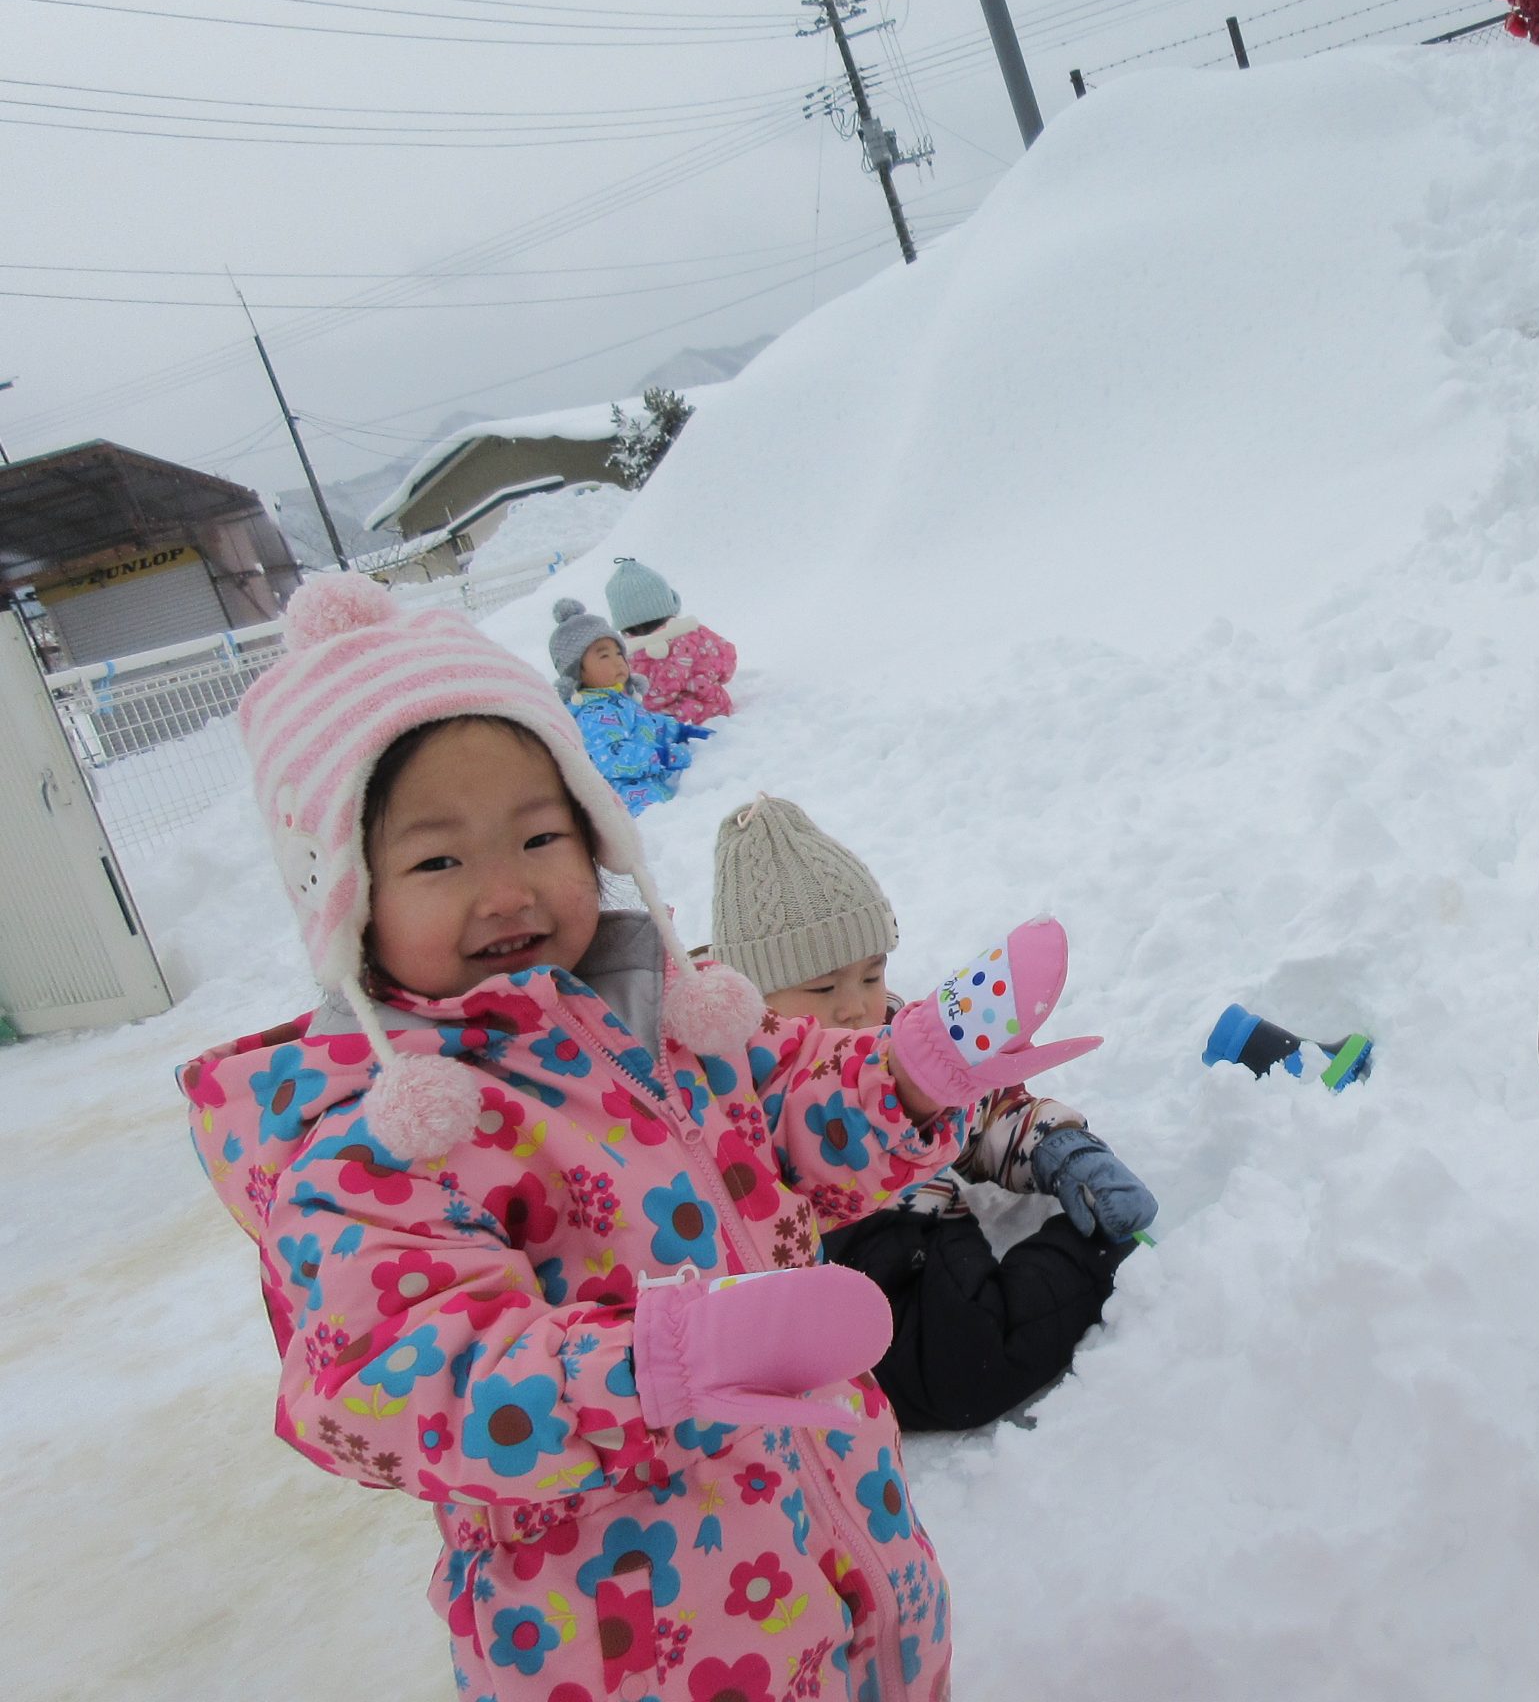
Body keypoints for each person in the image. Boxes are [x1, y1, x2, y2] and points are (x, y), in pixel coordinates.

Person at [175, 572, 977, 1702]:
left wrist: (909, 1074)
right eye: (439, 860)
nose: (506, 891)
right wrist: (658, 1365)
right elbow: (386, 1380)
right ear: (348, 900)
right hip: (631, 1638)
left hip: (839, 1535)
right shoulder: (373, 1142)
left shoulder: (660, 1017)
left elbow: (795, 1106)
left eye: (540, 835)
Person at [710, 794, 1157, 1432]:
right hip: (832, 1253)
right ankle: (1068, 1265)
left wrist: (1058, 1147)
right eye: (821, 988)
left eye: (870, 975)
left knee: (970, 1356)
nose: (854, 1008)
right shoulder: (729, 1081)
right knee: (936, 1372)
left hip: (922, 1224)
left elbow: (980, 1105)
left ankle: (1093, 1243)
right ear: (749, 992)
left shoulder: (894, 1036)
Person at [550, 596, 696, 813]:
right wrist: (660, 757)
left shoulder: (616, 699)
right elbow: (610, 757)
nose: (618, 660)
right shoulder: (591, 713)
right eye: (604, 656)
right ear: (577, 671)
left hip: (646, 783)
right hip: (624, 800)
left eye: (619, 652)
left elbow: (644, 725)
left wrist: (677, 729)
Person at [605, 554, 739, 726]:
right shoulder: (696, 634)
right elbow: (727, 662)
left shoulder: (623, 656)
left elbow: (625, 697)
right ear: (667, 602)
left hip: (660, 727)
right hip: (714, 714)